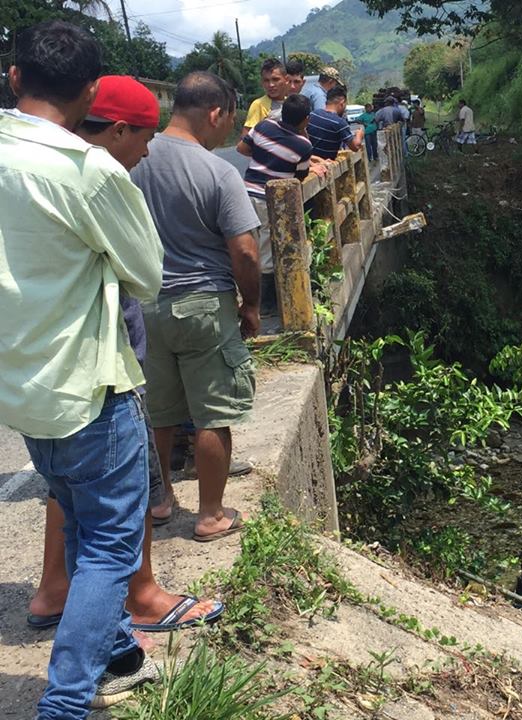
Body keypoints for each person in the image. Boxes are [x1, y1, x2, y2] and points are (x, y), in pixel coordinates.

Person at [0, 21, 165, 716]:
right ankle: (65, 702)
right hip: (89, 388)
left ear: (14, 77)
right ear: (92, 91)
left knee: (77, 516)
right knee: (109, 549)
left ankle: (120, 654)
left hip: (22, 385)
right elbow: (148, 276)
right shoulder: (88, 171)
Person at [27, 74, 225, 642]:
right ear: (115, 130)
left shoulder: (31, 169)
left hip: (47, 361)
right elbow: (145, 275)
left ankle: (53, 589)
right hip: (101, 361)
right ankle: (141, 597)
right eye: (141, 139)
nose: (146, 151)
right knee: (124, 486)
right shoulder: (98, 178)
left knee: (65, 484)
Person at [131, 71, 260, 543]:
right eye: (229, 119)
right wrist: (250, 306)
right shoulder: (218, 170)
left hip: (146, 306)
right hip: (203, 304)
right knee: (212, 413)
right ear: (215, 113)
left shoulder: (132, 158)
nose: (227, 131)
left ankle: (160, 499)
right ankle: (210, 514)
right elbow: (244, 251)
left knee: (159, 413)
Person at [236, 93, 326, 315]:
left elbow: (243, 148)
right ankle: (266, 305)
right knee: (267, 248)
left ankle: (246, 298)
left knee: (249, 244)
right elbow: (299, 176)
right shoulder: (303, 145)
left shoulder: (263, 126)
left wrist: (264, 155)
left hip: (246, 193)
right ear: (306, 120)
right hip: (269, 200)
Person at [306, 85, 363, 160]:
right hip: (325, 165)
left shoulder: (313, 114)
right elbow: (355, 147)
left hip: (310, 161)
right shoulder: (340, 123)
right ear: (342, 103)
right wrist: (359, 135)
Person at [241, 57, 286, 137]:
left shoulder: (290, 103)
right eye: (266, 80)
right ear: (262, 82)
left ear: (285, 79)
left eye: (275, 79)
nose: (271, 85)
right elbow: (245, 140)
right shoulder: (259, 105)